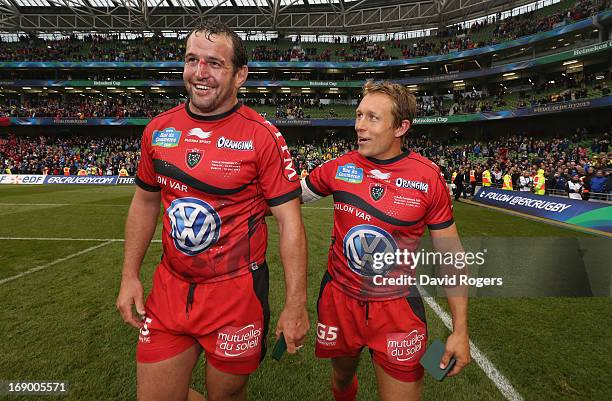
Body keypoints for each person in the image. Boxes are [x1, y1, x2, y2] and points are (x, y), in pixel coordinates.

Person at [116, 20, 309, 401]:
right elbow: (144, 201)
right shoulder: (158, 129)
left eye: (214, 64)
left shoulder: (262, 136)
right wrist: (129, 275)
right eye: (192, 60)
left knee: (226, 396)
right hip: (170, 289)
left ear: (241, 75)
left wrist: (295, 304)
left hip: (237, 295)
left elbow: (290, 223)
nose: (200, 73)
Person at [300, 81, 470, 401]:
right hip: (339, 300)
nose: (359, 126)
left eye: (373, 118)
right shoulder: (338, 168)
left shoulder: (427, 177)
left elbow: (451, 254)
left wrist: (460, 329)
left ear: (401, 127)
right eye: (359, 115)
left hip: (397, 309)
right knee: (340, 379)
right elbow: (286, 200)